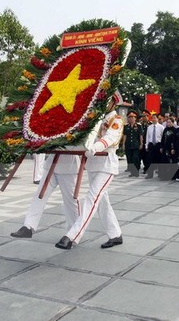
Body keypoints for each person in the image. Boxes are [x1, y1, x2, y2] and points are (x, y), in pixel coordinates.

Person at [55, 96, 124, 250]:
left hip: (106, 165)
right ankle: (115, 234)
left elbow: (109, 138)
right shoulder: (94, 118)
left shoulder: (117, 119)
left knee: (91, 199)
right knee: (102, 203)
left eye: (108, 100)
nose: (104, 102)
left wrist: (94, 148)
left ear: (114, 102)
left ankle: (71, 236)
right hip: (93, 164)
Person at [10, 153, 80, 238]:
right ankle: (28, 226)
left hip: (69, 167)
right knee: (39, 195)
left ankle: (74, 232)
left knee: (71, 201)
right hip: (51, 164)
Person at [122, 110, 144, 177]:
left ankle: (136, 171)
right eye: (130, 117)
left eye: (133, 117)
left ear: (135, 118)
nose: (131, 118)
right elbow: (125, 135)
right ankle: (132, 172)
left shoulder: (139, 126)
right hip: (128, 145)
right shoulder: (126, 126)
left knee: (135, 158)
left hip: (135, 145)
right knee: (129, 159)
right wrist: (123, 144)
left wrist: (141, 143)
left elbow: (140, 135)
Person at [144, 114, 164, 179]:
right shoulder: (149, 127)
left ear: (157, 119)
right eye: (152, 118)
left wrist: (162, 146)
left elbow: (163, 137)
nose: (153, 119)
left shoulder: (161, 127)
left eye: (155, 118)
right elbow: (147, 137)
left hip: (158, 144)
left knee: (159, 160)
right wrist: (146, 145)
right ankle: (150, 174)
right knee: (150, 160)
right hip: (151, 145)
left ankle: (161, 174)